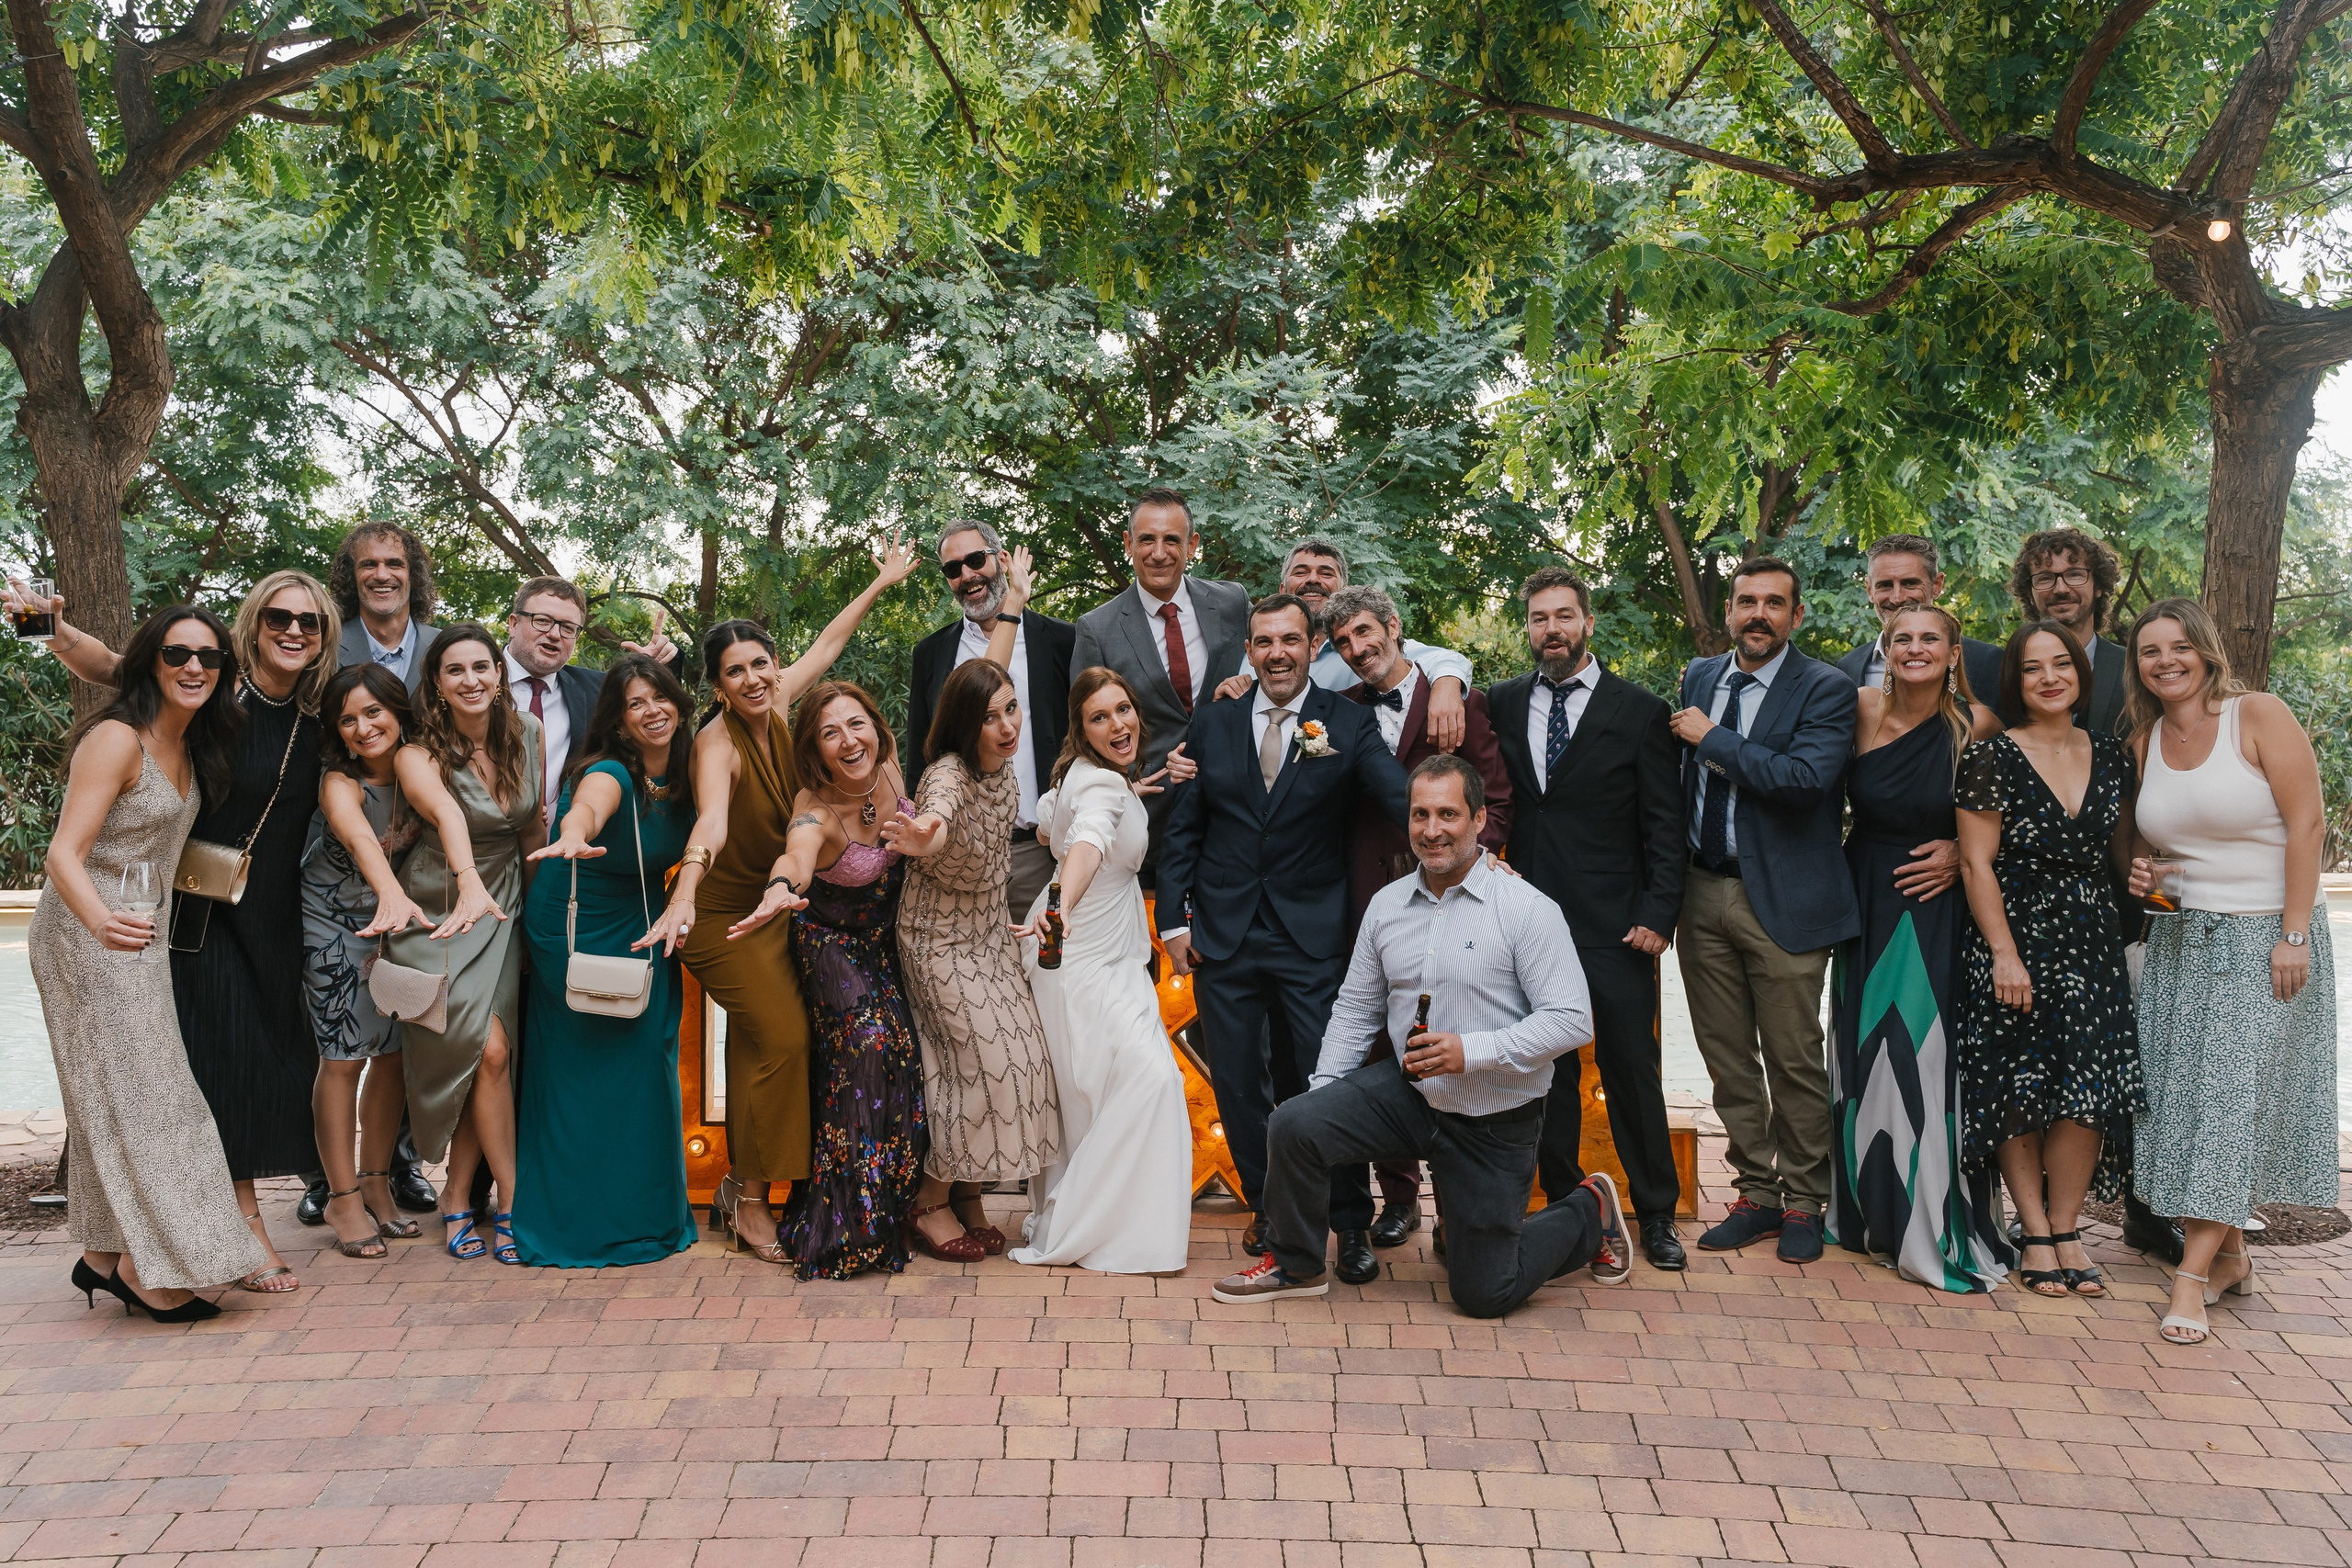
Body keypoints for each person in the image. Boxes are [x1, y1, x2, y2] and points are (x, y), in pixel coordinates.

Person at [1212, 755, 1626, 1315]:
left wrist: (1470, 1051)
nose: (1432, 830)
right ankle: (1296, 1264)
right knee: (1294, 1122)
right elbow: (1357, 1009)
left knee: (1484, 1293)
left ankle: (1589, 1210)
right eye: (1420, 815)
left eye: (1448, 814)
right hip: (1411, 1093)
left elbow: (1572, 1019)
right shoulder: (1387, 906)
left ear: (1479, 819)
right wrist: (1323, 1097)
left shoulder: (1527, 909)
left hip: (1493, 1116)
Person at [26, 570, 341, 1293]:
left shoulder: (258, 716)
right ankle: (188, 1250)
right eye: (279, 617)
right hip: (132, 922)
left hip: (197, 918)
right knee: (166, 1086)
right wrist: (43, 625)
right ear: (255, 624)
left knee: (155, 1088)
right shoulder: (170, 715)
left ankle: (105, 1256)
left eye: (311, 621)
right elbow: (112, 667)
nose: (295, 630)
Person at [651, 542, 919, 1262]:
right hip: (719, 916)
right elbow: (711, 822)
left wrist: (880, 582)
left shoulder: (779, 706)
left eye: (760, 664)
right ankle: (750, 1197)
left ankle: (747, 1189)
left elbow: (830, 643)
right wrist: (686, 891)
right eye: (734, 671)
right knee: (787, 1038)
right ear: (717, 687)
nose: (753, 678)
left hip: (778, 909)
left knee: (758, 1044)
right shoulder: (717, 744)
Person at [1156, 593, 1409, 1280]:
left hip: (1311, 936)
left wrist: (1468, 845)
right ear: (1249, 649)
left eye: (1290, 640)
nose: (1277, 653)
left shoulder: (1347, 723)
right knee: (1239, 1086)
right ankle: (1271, 1211)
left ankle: (1349, 1222)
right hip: (1224, 937)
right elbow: (1185, 827)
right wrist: (1174, 921)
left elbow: (1400, 797)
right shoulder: (1213, 722)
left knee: (1330, 1083)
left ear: (1312, 647)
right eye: (1264, 641)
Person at [32, 606, 270, 1320]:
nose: (194, 666)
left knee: (122, 1093)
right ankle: (149, 1265)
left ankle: (104, 1254)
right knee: (154, 1096)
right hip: (89, 932)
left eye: (209, 657)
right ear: (152, 662)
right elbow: (63, 852)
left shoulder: (191, 735)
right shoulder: (117, 738)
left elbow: (103, 657)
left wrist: (52, 629)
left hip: (139, 931)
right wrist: (101, 922)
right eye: (177, 653)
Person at [2123, 599, 2334, 1345]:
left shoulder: (2257, 715)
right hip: (2182, 941)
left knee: (2227, 1104)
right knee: (2184, 1104)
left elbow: (2308, 824)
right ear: (2138, 666)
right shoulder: (2145, 739)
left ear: (2207, 650)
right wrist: (2148, 881)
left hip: (2265, 939)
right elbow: (2162, 856)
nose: (2167, 661)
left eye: (2179, 646)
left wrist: (2294, 934)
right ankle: (2234, 1257)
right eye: (2151, 651)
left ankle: (2190, 1275)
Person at [1487, 567, 1689, 1270]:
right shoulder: (1501, 702)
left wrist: (1658, 913)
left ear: (1588, 622)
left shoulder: (1641, 710)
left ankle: (1657, 1213)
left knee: (1631, 1070)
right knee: (1548, 1075)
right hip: (1529, 926)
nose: (1552, 629)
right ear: (1528, 626)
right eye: (1539, 617)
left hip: (1616, 927)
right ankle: (1568, 1206)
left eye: (1564, 616)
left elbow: (1666, 826)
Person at [1671, 558, 1860, 1264]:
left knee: (1793, 1056)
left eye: (1774, 603)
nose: (1758, 614)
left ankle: (1806, 1199)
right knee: (1727, 1057)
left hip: (1784, 895)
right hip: (1701, 888)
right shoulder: (1700, 677)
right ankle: (1757, 1192)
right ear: (1729, 610)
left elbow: (1804, 782)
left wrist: (1712, 739)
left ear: (1795, 615)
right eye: (1746, 600)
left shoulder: (1825, 687)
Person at [1955, 620, 2143, 1300]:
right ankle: (2033, 1229)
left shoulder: (2114, 755)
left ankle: (2067, 1228)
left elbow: (2125, 852)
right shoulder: (1991, 756)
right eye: (2032, 668)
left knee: (2086, 1088)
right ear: (2017, 680)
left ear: (2080, 673)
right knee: (2018, 1084)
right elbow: (1975, 863)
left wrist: (2155, 874)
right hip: (2016, 937)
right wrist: (2004, 955)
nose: (2049, 677)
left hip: (2092, 941)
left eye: (2060, 663)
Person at [1322, 583, 1511, 1248]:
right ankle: (1398, 1197)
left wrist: (1471, 875)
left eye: (1365, 632)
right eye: (1344, 641)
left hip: (1451, 897)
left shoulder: (1456, 700)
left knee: (1453, 1036)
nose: (1357, 648)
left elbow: (1497, 801)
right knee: (1381, 1041)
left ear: (1394, 626)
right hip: (1366, 899)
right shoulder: (1337, 712)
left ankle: (1459, 1200)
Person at [1831, 605, 2008, 1292]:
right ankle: (1867, 1210)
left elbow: (2008, 815)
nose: (1915, 648)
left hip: (1935, 905)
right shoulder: (1859, 709)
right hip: (1865, 895)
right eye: (1901, 638)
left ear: (1954, 652)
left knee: (1921, 1056)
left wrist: (1962, 850)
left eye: (1930, 638)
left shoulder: (1977, 724)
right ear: (1886, 648)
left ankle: (1929, 1220)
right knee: (1859, 1051)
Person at [725, 681, 926, 1280]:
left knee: (906, 1050)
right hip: (829, 940)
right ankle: (842, 1222)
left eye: (856, 724)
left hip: (885, 937)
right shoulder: (814, 807)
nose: (849, 740)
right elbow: (796, 854)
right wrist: (779, 887)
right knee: (869, 1044)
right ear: (814, 750)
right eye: (829, 733)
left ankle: (889, 1209)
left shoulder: (889, 765)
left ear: (876, 727)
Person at [510, 655, 699, 1269]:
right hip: (574, 921)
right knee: (580, 1075)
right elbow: (589, 805)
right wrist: (573, 830)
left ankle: (645, 1214)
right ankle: (573, 1219)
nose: (652, 710)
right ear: (617, 720)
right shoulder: (611, 770)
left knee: (646, 1064)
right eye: (635, 703)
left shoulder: (690, 771)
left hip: (642, 919)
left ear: (679, 703)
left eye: (659, 696)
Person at [1005, 668, 1195, 1274]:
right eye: (1099, 717)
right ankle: (1099, 1226)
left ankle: (1101, 1220)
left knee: (1094, 1093)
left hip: (1111, 956)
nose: (1118, 724)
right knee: (1145, 1081)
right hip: (1079, 957)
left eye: (1123, 709)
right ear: (1081, 729)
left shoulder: (1084, 777)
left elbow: (1048, 822)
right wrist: (1060, 903)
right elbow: (1086, 841)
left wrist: (1133, 792)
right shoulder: (1103, 787)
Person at [885, 658, 1064, 1259]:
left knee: (1028, 1056)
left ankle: (968, 1195)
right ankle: (928, 1201)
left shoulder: (1005, 769)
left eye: (1011, 708)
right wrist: (924, 835)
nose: (1007, 726)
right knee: (984, 1065)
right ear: (966, 723)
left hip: (989, 933)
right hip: (936, 939)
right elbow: (937, 818)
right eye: (989, 717)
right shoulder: (948, 775)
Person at [383, 624, 545, 1265]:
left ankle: (465, 1194)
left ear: (499, 674)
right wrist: (470, 883)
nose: (471, 680)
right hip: (439, 905)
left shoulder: (527, 732)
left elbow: (530, 830)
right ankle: (511, 1199)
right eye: (456, 670)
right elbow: (448, 815)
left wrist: (540, 920)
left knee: (493, 1055)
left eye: (482, 666)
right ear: (437, 683)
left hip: (507, 902)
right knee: (476, 1049)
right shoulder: (416, 752)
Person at [300, 664, 430, 1258]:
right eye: (347, 719)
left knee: (394, 1056)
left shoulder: (419, 768)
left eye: (373, 712)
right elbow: (357, 838)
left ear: (398, 711)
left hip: (395, 925)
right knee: (343, 1057)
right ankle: (342, 1196)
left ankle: (378, 1182)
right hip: (335, 928)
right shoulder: (339, 782)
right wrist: (391, 895)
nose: (363, 727)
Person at [1070, 488, 1251, 882]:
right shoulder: (1096, 629)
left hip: (1233, 815)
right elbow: (1083, 734)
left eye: (1171, 539)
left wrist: (1246, 685)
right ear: (1128, 544)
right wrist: (1121, 788)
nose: (1158, 553)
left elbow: (1273, 664)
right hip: (1145, 821)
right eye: (1146, 539)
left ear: (1192, 545)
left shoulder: (1232, 603)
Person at [906, 521, 1077, 919]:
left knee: (1047, 956)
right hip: (960, 857)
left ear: (1001, 559)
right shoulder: (931, 654)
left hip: (1041, 852)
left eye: (975, 560)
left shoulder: (1062, 640)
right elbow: (920, 754)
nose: (967, 575)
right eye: (953, 569)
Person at [1211, 538, 1476, 750]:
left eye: (1325, 573)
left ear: (1343, 589)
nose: (1312, 580)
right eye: (1301, 572)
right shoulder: (1254, 651)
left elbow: (1443, 660)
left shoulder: (1364, 649)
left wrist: (1447, 685)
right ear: (1283, 589)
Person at [500, 575, 681, 830]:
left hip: (568, 840)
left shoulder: (599, 690)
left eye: (568, 627)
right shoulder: (472, 684)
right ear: (513, 624)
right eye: (542, 621)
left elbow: (658, 720)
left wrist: (651, 670)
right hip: (477, 844)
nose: (554, 634)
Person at [1837, 535, 2005, 706]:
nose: (1897, 598)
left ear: (1937, 585)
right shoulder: (1849, 666)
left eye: (1910, 583)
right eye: (1885, 585)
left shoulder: (1986, 661)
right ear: (1869, 590)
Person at [2005, 528, 2129, 734]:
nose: (2060, 589)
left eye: (2074, 575)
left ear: (2098, 586)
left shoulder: (2133, 668)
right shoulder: (2006, 669)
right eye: (2045, 578)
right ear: (2029, 593)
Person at [332, 520, 442, 694]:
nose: (382, 575)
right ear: (351, 576)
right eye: (369, 564)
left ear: (413, 575)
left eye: (394, 564)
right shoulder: (326, 646)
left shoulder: (444, 646)